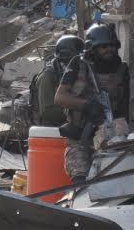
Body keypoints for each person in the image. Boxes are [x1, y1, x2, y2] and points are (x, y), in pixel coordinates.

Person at [55, 23, 130, 184]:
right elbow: (60, 97)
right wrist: (87, 105)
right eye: (103, 46)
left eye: (111, 45)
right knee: (80, 180)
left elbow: (125, 108)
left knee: (115, 179)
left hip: (110, 136)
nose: (108, 49)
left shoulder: (122, 70)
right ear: (92, 49)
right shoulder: (79, 64)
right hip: (80, 138)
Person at [30, 35, 84, 128]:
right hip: (50, 128)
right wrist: (78, 110)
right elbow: (47, 112)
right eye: (76, 60)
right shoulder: (47, 76)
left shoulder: (75, 72)